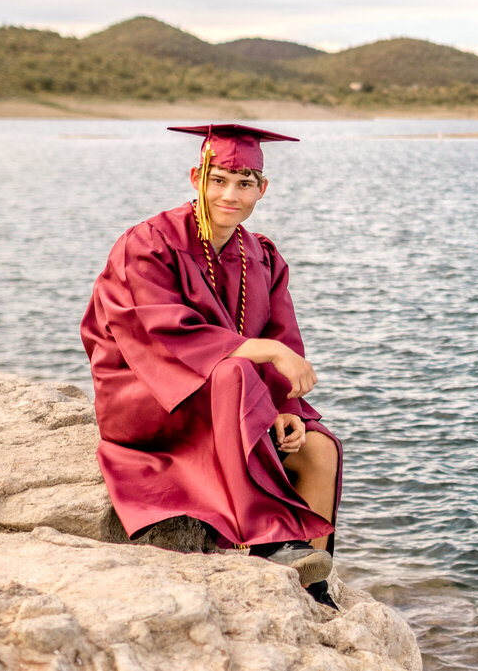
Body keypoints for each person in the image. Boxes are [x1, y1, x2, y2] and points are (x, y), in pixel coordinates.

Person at [80, 123, 342, 607]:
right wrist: (266, 356)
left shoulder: (261, 255)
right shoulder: (149, 244)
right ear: (196, 176)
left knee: (319, 448)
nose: (230, 194)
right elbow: (161, 335)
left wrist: (285, 409)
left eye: (245, 183)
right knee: (236, 371)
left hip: (230, 396)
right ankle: (270, 539)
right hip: (150, 397)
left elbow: (278, 335)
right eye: (219, 179)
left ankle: (315, 581)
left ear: (262, 189)